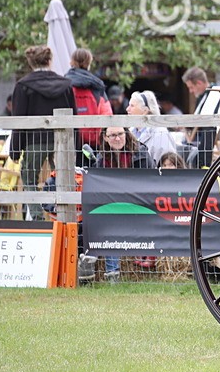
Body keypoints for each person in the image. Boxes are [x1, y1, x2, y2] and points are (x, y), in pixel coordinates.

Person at [8, 45, 75, 215]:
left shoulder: (23, 85)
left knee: (28, 177)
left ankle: (37, 215)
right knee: (63, 178)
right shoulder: (66, 85)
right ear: (50, 60)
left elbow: (19, 120)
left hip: (34, 140)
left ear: (30, 62)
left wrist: (15, 150)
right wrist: (76, 146)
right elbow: (73, 117)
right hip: (61, 141)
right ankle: (61, 214)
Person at [89, 125, 152, 279]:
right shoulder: (101, 158)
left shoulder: (141, 154)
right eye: (112, 135)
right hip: (113, 205)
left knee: (111, 220)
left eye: (120, 134)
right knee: (102, 218)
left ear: (126, 134)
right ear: (105, 137)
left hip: (139, 204)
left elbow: (151, 183)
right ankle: (108, 271)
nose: (117, 138)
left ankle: (105, 267)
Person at [181, 66, 220, 166]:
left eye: (191, 87)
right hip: (200, 141)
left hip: (212, 141)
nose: (191, 91)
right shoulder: (202, 97)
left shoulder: (217, 94)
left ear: (199, 83)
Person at [66, 48, 111, 148]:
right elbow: (107, 114)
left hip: (69, 142)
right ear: (89, 63)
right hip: (94, 142)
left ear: (71, 62)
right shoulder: (97, 86)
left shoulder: (64, 85)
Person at [127, 90, 178, 165]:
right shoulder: (130, 131)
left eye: (132, 106)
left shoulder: (161, 133)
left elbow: (168, 164)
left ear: (145, 111)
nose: (127, 109)